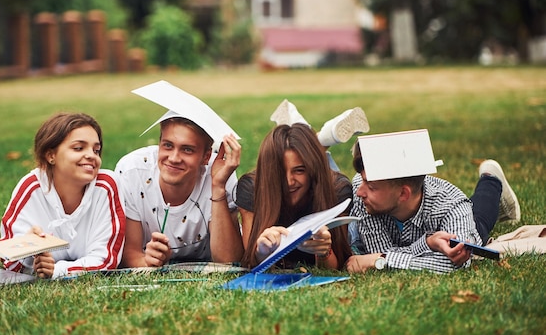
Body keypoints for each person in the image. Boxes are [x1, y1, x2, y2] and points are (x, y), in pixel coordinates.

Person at [346, 129, 521, 274]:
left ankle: (491, 180)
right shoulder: (362, 192)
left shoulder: (453, 207)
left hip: (456, 219)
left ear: (403, 194)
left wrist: (383, 260)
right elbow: (377, 250)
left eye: (371, 187)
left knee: (479, 221)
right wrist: (428, 243)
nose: (360, 192)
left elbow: (454, 265)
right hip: (430, 234)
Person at [115, 82, 243, 267]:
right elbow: (130, 254)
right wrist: (148, 262)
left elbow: (228, 260)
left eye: (187, 150)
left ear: (206, 156)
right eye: (167, 145)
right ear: (158, 144)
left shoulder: (221, 174)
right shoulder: (132, 172)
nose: (174, 158)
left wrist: (218, 187)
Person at [0, 112, 126, 279]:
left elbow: (106, 260)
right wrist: (29, 251)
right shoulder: (31, 187)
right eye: (79, 148)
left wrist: (58, 270)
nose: (91, 155)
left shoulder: (106, 186)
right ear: (51, 155)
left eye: (96, 150)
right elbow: (8, 260)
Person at [236, 123, 354, 270]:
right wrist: (262, 251)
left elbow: (338, 266)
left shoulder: (338, 190)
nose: (289, 182)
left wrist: (324, 251)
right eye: (279, 171)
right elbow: (251, 262)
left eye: (299, 170)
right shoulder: (252, 188)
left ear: (312, 170)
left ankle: (321, 142)